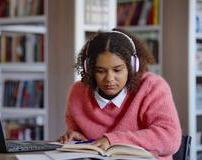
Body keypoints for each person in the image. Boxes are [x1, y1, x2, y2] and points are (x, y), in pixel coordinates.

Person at [57, 28, 182, 160]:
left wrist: (113, 140)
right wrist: (73, 137)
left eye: (117, 70)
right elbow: (79, 139)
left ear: (132, 67)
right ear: (90, 70)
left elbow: (170, 139)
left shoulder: (152, 87)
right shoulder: (78, 92)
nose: (109, 78)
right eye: (101, 71)